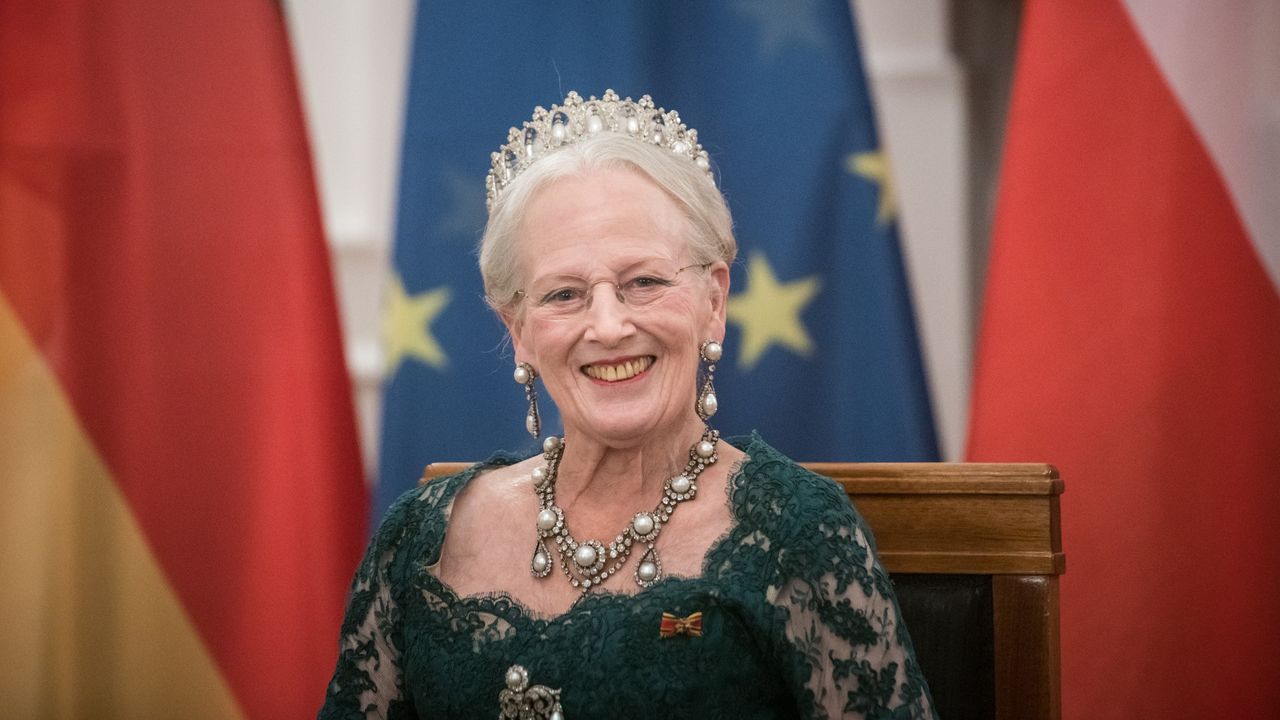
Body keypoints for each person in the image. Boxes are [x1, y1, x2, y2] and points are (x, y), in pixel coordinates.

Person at [319, 90, 935, 720]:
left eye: (644, 282)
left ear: (713, 301)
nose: (608, 326)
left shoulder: (795, 534)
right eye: (565, 294)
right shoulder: (420, 539)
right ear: (519, 331)